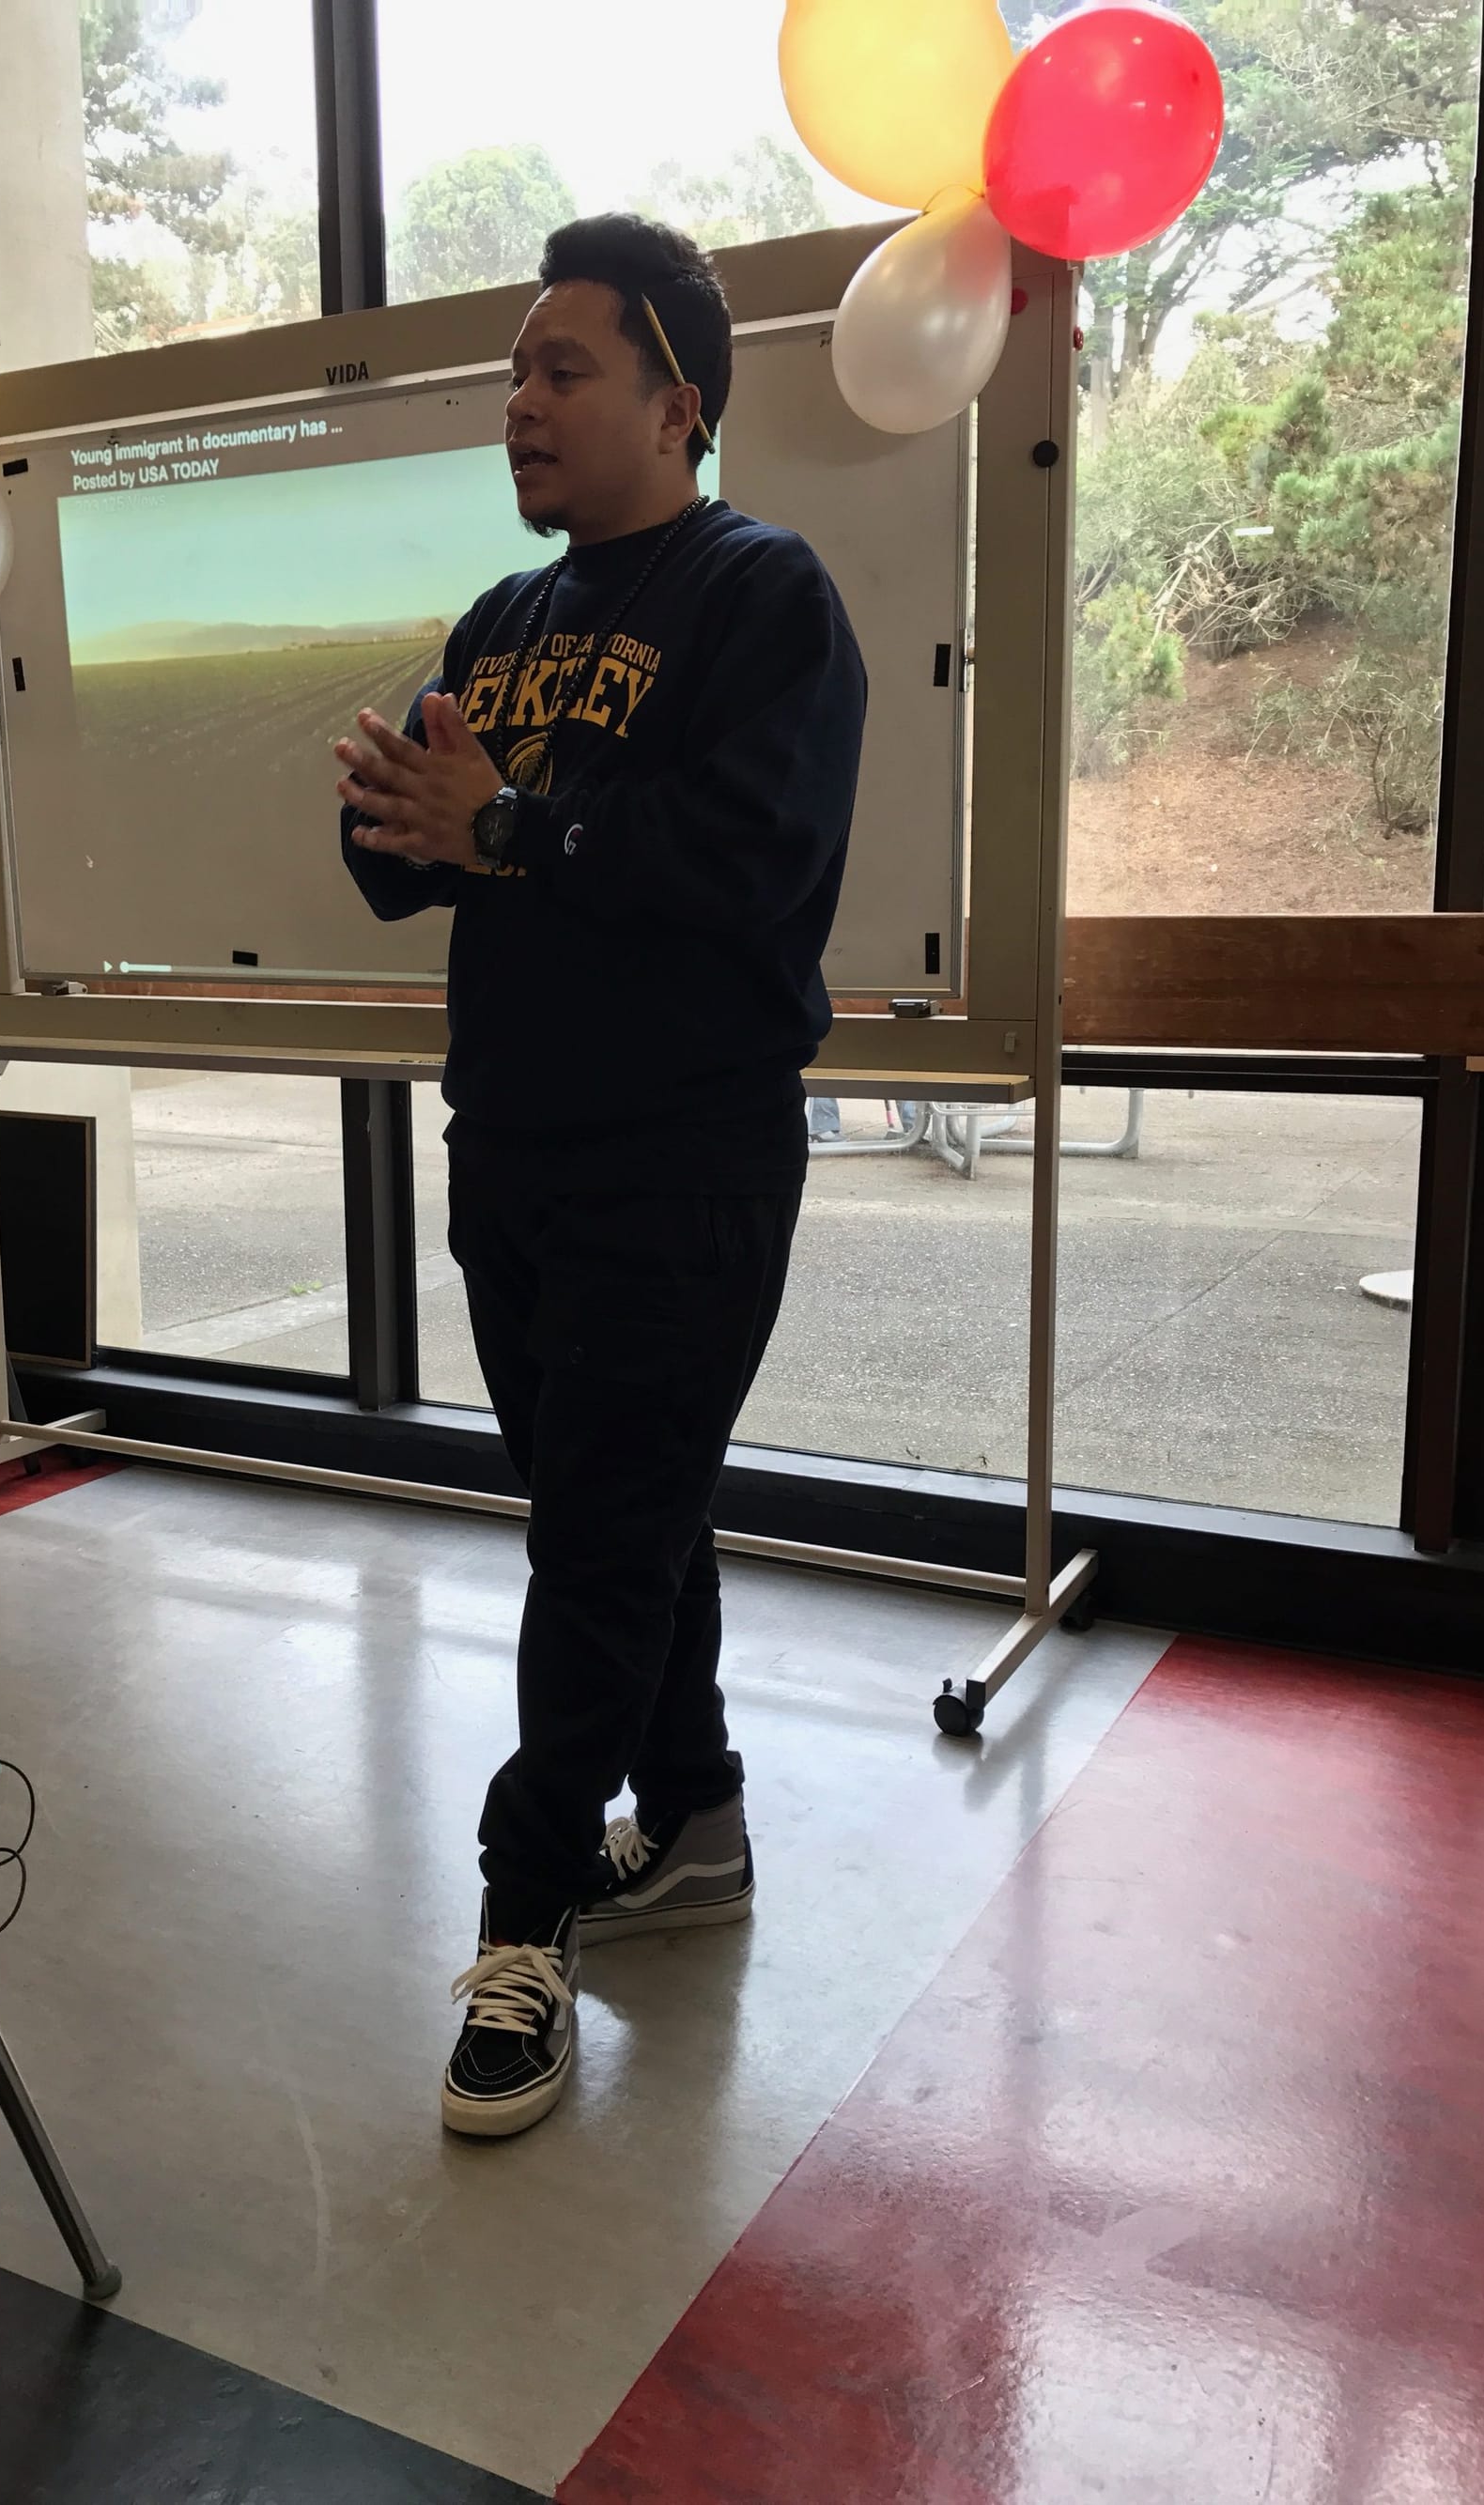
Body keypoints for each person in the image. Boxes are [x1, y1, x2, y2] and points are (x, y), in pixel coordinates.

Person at [337, 214, 866, 2140]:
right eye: (514, 372)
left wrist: (514, 825)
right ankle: (700, 1818)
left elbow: (747, 859)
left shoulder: (762, 595)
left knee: (595, 1538)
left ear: (680, 402)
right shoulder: (503, 618)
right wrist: (406, 811)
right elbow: (410, 860)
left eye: (565, 369)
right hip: (517, 1153)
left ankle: (521, 1909)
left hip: (686, 1160)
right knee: (613, 1511)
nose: (521, 401)